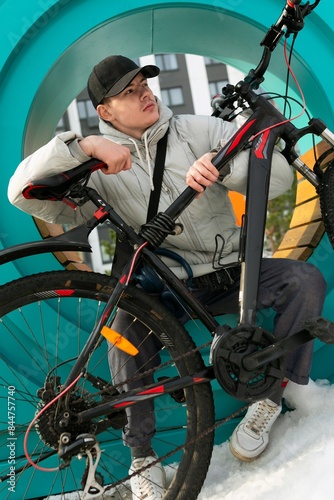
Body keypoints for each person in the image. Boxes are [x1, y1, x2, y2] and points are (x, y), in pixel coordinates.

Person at [8, 55, 326, 498]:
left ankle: (271, 399)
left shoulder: (199, 130)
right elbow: (21, 192)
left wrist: (223, 165)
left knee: (305, 280)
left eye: (145, 85)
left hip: (232, 271)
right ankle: (142, 458)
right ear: (106, 112)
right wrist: (86, 148)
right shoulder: (99, 166)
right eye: (130, 92)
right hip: (165, 289)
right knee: (122, 329)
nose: (146, 95)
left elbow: (276, 180)